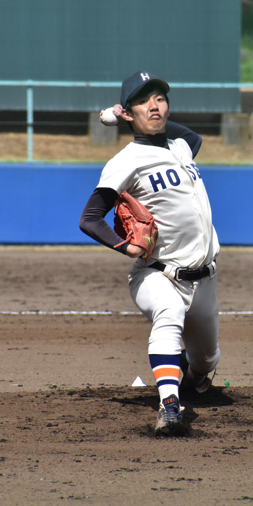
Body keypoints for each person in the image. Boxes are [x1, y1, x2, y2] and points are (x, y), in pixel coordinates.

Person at [79, 71, 221, 436]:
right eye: (143, 101)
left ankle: (191, 377)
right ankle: (170, 405)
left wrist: (127, 115)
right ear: (129, 113)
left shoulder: (180, 146)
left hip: (204, 276)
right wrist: (125, 246)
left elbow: (193, 135)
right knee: (169, 314)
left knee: (205, 362)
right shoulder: (125, 161)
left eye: (159, 98)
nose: (154, 106)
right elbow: (90, 218)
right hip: (156, 272)